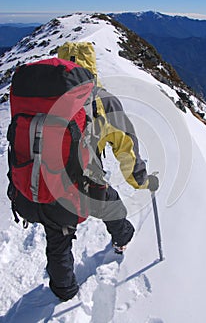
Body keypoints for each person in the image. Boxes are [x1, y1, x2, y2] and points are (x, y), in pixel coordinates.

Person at [8, 42, 159, 302]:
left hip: (27, 190)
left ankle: (64, 291)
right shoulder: (102, 100)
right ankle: (123, 239)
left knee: (57, 238)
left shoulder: (35, 97)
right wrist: (142, 180)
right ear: (92, 67)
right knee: (110, 203)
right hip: (79, 192)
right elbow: (127, 148)